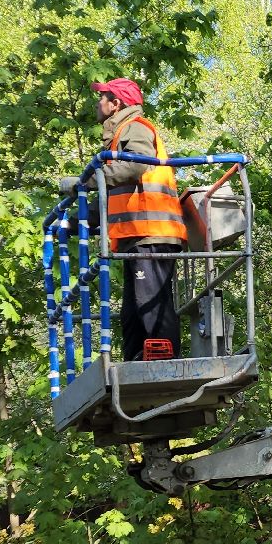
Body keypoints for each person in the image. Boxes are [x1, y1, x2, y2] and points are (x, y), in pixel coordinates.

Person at [90, 78, 186, 360]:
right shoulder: (120, 137)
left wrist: (90, 180)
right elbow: (118, 191)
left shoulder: (136, 128)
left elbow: (137, 164)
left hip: (152, 231)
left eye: (102, 97)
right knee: (133, 310)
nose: (98, 102)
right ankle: (136, 359)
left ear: (115, 103)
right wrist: (77, 220)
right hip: (137, 234)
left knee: (151, 302)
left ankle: (164, 361)